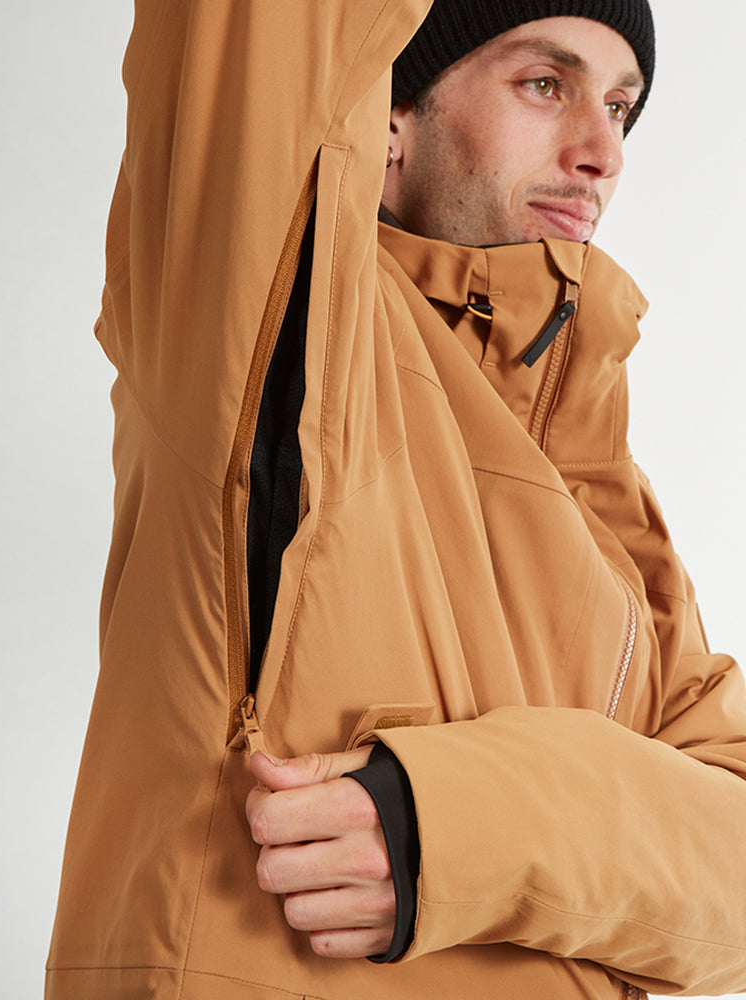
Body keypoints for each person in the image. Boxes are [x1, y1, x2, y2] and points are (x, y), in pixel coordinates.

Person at [45, 2, 746, 999]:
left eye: (620, 107)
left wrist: (464, 824)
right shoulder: (264, 318)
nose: (603, 153)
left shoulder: (598, 480)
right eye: (543, 85)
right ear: (388, 118)